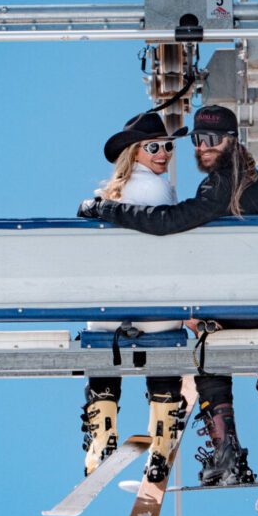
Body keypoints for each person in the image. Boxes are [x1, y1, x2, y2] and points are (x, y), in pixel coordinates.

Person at [79, 105, 258, 514]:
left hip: (247, 306)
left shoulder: (224, 182)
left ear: (232, 141)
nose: (202, 147)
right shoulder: (250, 180)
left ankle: (226, 454)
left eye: (212, 140)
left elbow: (170, 221)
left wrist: (107, 209)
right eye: (197, 140)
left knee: (207, 351)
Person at [79, 112, 188, 484]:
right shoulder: (158, 189)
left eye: (168, 146)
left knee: (100, 346)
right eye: (154, 147)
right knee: (164, 349)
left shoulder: (104, 196)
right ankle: (162, 440)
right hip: (155, 305)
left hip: (109, 309)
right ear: (134, 152)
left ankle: (101, 434)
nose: (164, 154)